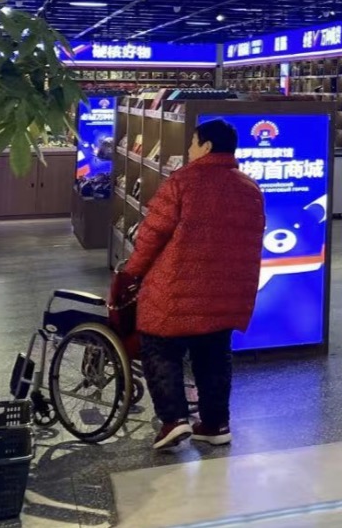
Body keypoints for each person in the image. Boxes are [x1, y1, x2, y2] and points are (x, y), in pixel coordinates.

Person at [121, 118, 266, 451]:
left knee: (159, 345)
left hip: (178, 287)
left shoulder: (182, 182)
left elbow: (152, 234)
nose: (189, 150)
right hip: (227, 290)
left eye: (193, 143)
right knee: (215, 353)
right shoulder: (249, 188)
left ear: (207, 146)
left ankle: (173, 420)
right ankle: (216, 424)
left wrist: (133, 272)